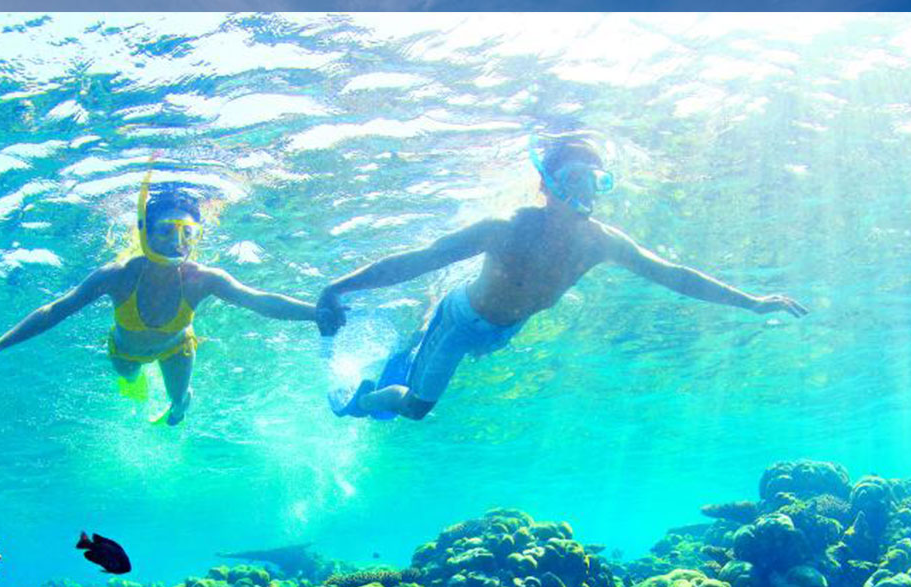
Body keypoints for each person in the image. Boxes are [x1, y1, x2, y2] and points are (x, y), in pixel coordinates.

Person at [317, 132, 809, 421]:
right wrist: (338, 287)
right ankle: (363, 400)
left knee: (436, 365)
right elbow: (421, 258)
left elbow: (674, 275)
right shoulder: (504, 228)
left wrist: (752, 301)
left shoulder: (601, 242)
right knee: (417, 409)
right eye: (575, 178)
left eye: (596, 181)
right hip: (463, 321)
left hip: (504, 331)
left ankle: (411, 349)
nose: (586, 191)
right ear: (546, 185)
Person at [0, 184, 319, 426]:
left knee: (177, 407)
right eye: (166, 230)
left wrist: (315, 313)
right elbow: (56, 310)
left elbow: (259, 301)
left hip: (176, 348)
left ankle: (179, 403)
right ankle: (140, 384)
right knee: (130, 383)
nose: (177, 242)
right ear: (145, 231)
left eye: (188, 233)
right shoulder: (117, 276)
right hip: (125, 351)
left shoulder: (203, 279)